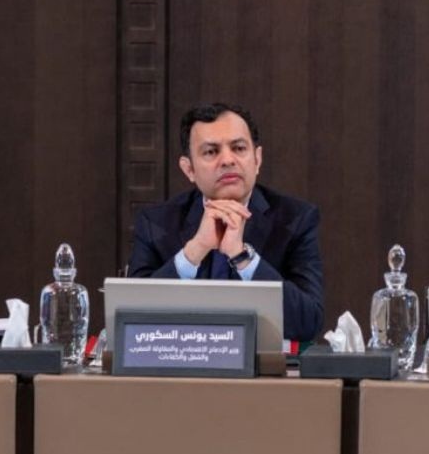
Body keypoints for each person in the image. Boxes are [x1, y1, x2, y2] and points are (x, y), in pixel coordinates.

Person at [128, 103, 324, 342]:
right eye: (211, 152)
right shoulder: (156, 223)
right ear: (189, 169)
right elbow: (131, 321)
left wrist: (242, 257)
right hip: (180, 362)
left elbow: (308, 323)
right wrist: (194, 251)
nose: (228, 160)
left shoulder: (295, 219)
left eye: (239, 148)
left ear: (257, 159)